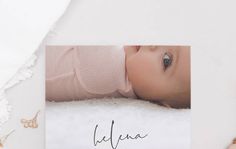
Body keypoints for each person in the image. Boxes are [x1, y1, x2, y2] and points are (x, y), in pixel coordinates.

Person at [46, 45, 190, 108]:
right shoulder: (131, 64)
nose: (153, 44)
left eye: (166, 60)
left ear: (162, 104)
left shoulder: (111, 67)